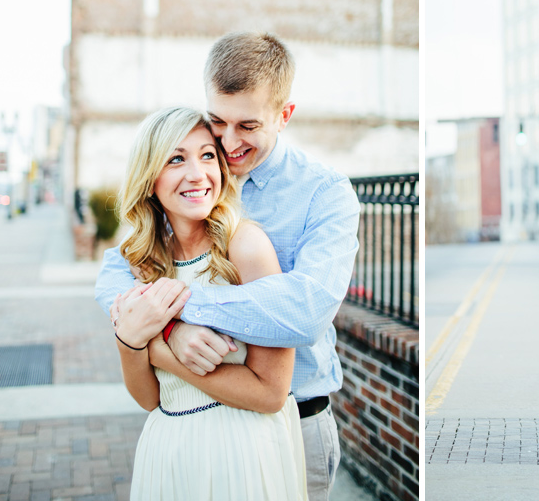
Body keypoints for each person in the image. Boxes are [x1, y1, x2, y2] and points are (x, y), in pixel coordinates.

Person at [97, 32, 360, 499]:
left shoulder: (324, 194)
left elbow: (304, 313)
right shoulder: (188, 188)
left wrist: (167, 316)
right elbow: (116, 273)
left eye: (249, 125)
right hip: (184, 431)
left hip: (290, 423)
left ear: (285, 116)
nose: (229, 143)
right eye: (219, 121)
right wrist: (166, 331)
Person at [111, 106, 307, 499]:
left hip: (240, 450)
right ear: (150, 179)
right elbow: (148, 397)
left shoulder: (245, 247)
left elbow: (271, 393)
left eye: (207, 156)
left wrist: (158, 348)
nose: (197, 174)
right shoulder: (144, 261)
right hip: (168, 448)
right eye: (176, 159)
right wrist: (129, 343)